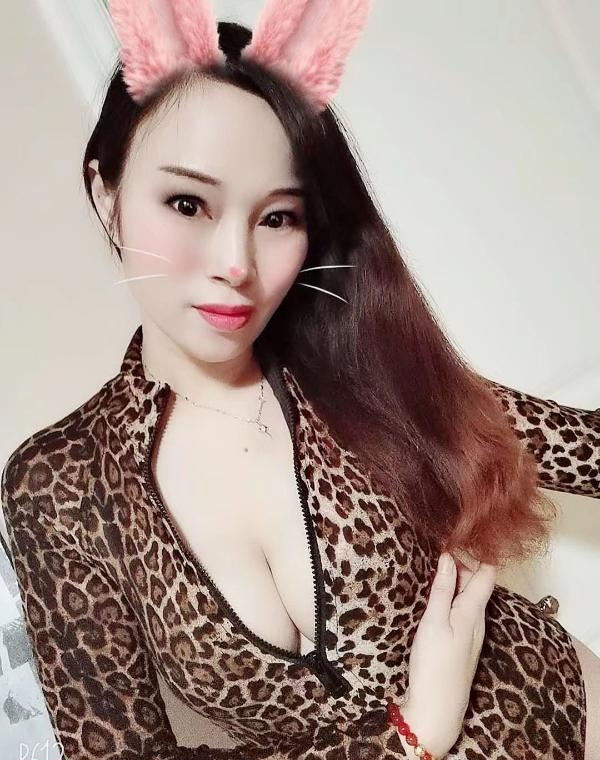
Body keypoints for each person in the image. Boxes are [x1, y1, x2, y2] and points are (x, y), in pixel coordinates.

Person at [1, 2, 599, 758]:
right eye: (187, 203)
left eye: (277, 217)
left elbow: (583, 446)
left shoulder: (353, 363)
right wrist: (414, 733)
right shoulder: (60, 488)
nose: (236, 264)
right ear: (107, 195)